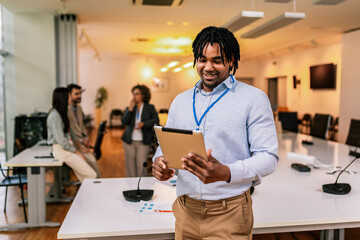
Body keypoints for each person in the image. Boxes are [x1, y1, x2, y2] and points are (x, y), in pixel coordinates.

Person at [152, 26, 278, 239]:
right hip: (185, 212)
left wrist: (227, 172)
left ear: (231, 60)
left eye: (217, 60)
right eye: (202, 59)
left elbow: (268, 157)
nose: (208, 67)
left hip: (229, 213)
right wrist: (159, 162)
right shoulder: (180, 101)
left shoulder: (253, 99)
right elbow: (165, 145)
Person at [47, 87, 97, 183]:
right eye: (68, 96)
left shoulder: (62, 113)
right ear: (63, 98)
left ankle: (86, 197)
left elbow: (71, 133)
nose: (70, 98)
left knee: (85, 178)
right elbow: (61, 140)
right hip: (62, 150)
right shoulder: (55, 116)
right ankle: (89, 197)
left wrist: (78, 148)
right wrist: (77, 152)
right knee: (91, 175)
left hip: (67, 148)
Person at [121, 84, 159, 177]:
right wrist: (130, 108)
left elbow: (156, 120)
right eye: (133, 94)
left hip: (143, 142)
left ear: (143, 95)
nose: (134, 96)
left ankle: (142, 188)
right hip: (129, 142)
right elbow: (124, 121)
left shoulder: (149, 107)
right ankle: (131, 189)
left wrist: (144, 123)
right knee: (130, 168)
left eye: (137, 93)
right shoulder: (130, 108)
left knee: (141, 166)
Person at [67, 84, 101, 178]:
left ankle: (98, 183)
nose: (79, 96)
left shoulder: (79, 108)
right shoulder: (65, 110)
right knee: (91, 161)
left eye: (80, 93)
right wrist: (80, 145)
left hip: (81, 143)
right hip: (72, 144)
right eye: (76, 94)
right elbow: (69, 131)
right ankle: (97, 183)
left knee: (92, 161)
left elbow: (82, 127)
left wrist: (85, 139)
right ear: (69, 95)